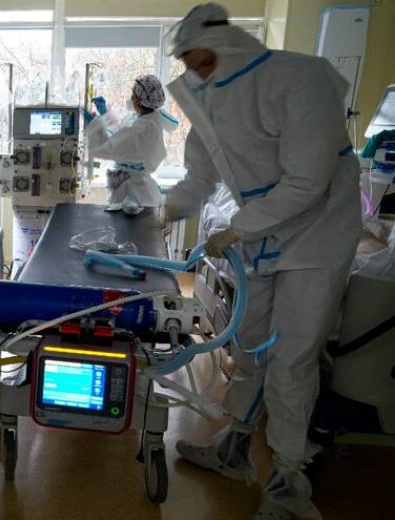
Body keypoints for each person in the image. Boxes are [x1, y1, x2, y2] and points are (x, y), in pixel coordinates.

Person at [163, 4, 361, 519]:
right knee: (250, 347)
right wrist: (164, 209)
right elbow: (200, 177)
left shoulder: (299, 80)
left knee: (291, 362)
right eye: (187, 64)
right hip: (263, 238)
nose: (195, 72)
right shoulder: (210, 101)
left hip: (316, 240)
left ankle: (290, 484)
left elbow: (307, 182)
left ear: (227, 47)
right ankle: (234, 448)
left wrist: (237, 228)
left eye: (202, 61)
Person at [85, 74, 178, 212]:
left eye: (133, 96)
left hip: (136, 193)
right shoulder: (142, 118)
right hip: (133, 187)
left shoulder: (145, 127)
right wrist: (105, 114)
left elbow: (108, 148)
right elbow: (120, 133)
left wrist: (94, 126)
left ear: (140, 101)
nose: (131, 99)